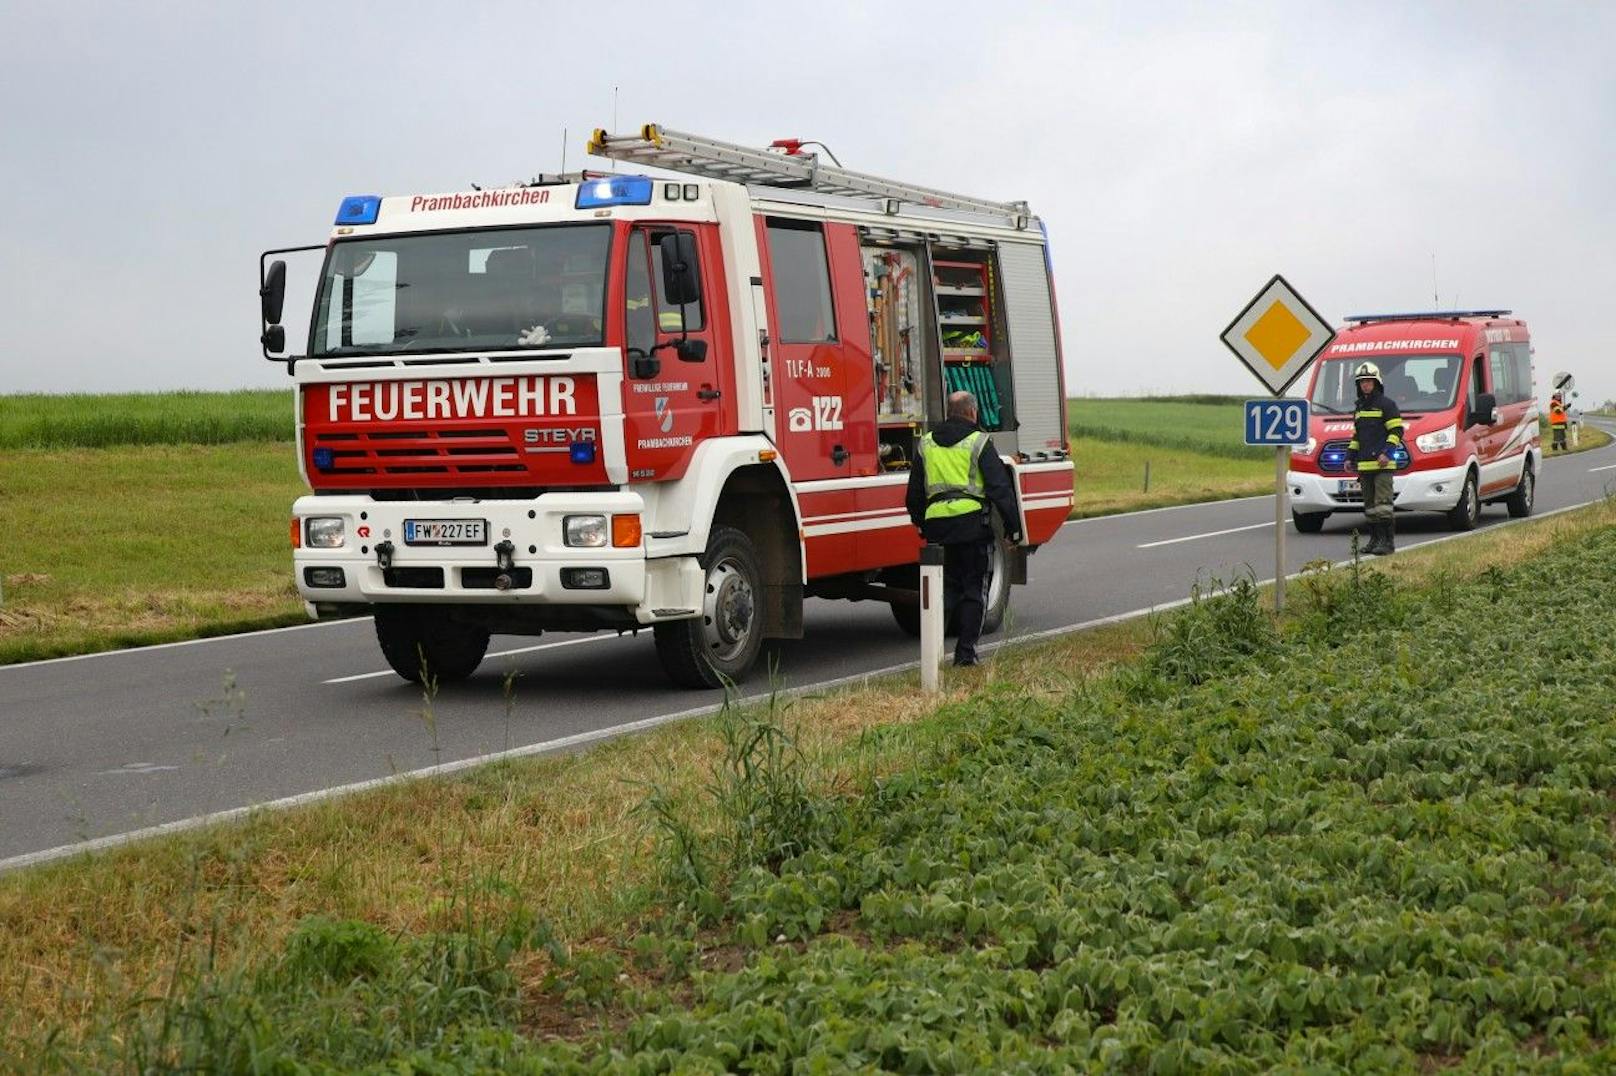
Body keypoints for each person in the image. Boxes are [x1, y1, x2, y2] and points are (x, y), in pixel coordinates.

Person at [905, 390, 1022, 666]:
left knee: (943, 589)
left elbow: (913, 496)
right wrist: (1012, 528)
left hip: (937, 529)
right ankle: (965, 654)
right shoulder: (979, 442)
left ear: (949, 412)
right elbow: (999, 489)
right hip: (971, 526)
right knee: (973, 589)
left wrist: (923, 524)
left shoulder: (926, 444)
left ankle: (932, 656)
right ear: (972, 412)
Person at [1345, 361, 1404, 555]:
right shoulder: (1360, 407)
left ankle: (1388, 543)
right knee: (1370, 508)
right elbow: (1357, 436)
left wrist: (1387, 453)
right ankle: (1374, 540)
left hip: (1382, 465)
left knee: (1383, 506)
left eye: (1368, 381)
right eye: (1362, 382)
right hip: (1365, 466)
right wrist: (1349, 457)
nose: (1365, 385)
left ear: (1376, 382)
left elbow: (1396, 430)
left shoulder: (1387, 405)